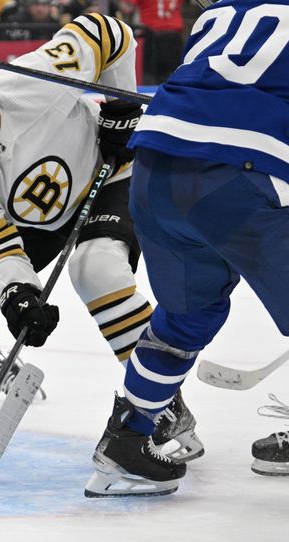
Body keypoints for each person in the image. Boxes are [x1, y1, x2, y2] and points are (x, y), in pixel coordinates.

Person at [0, 13, 202, 450]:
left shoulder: (36, 80)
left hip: (108, 181)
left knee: (96, 270)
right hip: (37, 220)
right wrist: (18, 292)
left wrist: (122, 105)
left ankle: (162, 403)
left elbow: (110, 33)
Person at [85, 0, 289, 497]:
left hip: (156, 165)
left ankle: (126, 442)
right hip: (240, 173)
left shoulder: (221, 12)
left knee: (184, 317)